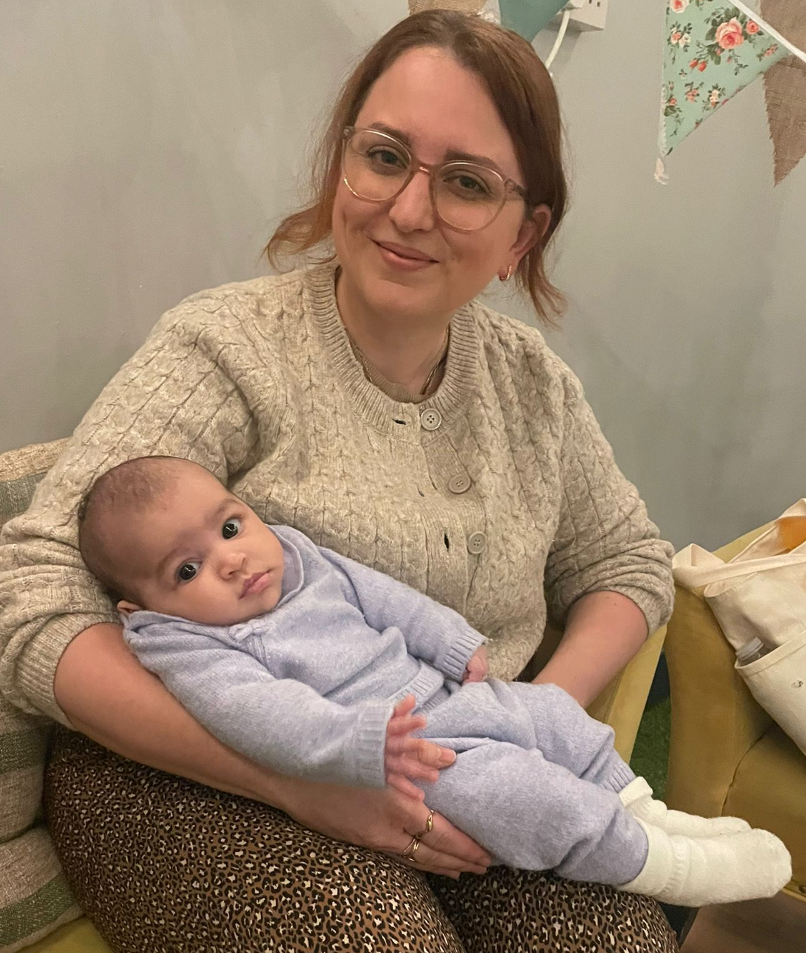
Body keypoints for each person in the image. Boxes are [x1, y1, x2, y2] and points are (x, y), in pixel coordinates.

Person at [0, 9, 691, 951]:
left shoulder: (533, 389)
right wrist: (297, 782)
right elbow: (32, 593)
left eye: (466, 183)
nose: (409, 210)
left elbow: (627, 562)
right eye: (384, 157)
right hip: (191, 773)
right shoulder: (226, 348)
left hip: (462, 758)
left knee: (615, 941)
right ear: (342, 164)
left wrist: (539, 716)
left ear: (523, 233)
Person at [77, 454, 791, 906]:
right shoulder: (188, 643)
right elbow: (258, 712)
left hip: (450, 696)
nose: (229, 560)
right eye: (187, 569)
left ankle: (642, 809)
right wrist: (360, 743)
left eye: (230, 528)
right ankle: (661, 864)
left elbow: (379, 594)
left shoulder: (290, 553)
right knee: (523, 793)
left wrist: (447, 639)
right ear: (144, 606)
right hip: (408, 759)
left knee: (553, 715)